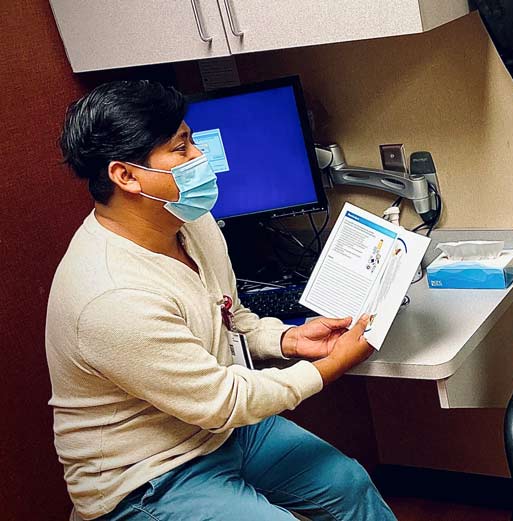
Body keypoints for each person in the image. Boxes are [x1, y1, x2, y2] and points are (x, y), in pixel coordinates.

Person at [46, 80, 396, 521]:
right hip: (146, 476)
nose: (199, 157)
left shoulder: (191, 222)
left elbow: (230, 315)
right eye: (181, 149)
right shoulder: (111, 295)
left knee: (349, 483)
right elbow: (224, 400)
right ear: (126, 176)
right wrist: (330, 366)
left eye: (191, 140)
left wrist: (288, 340)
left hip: (218, 432)